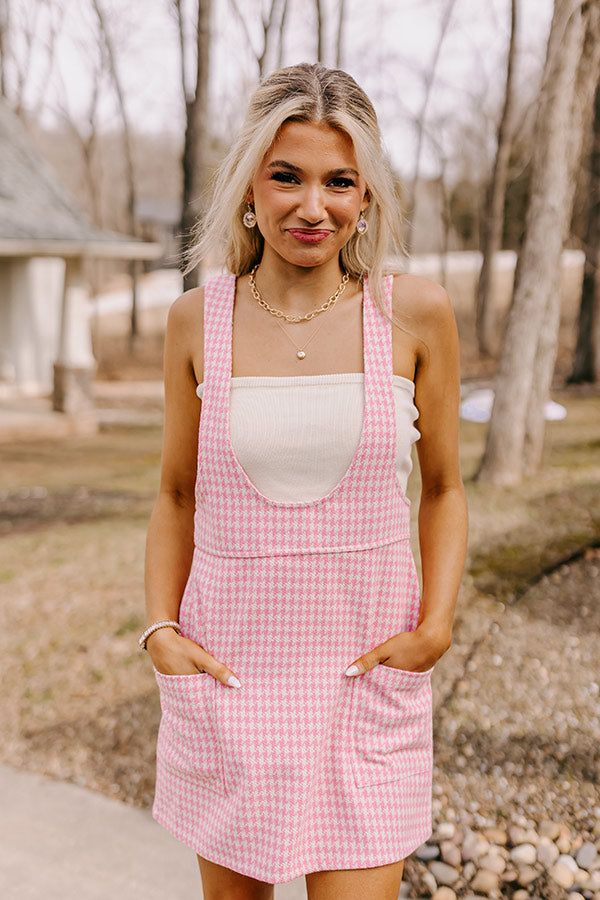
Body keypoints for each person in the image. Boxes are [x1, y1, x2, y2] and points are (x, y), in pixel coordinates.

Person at [141, 62, 468, 900]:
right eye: (287, 176)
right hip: (230, 680)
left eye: (339, 182)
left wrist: (435, 628)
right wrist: (160, 631)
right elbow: (175, 493)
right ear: (250, 185)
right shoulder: (197, 320)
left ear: (367, 196)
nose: (312, 206)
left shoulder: (413, 313)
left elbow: (443, 489)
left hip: (366, 682)